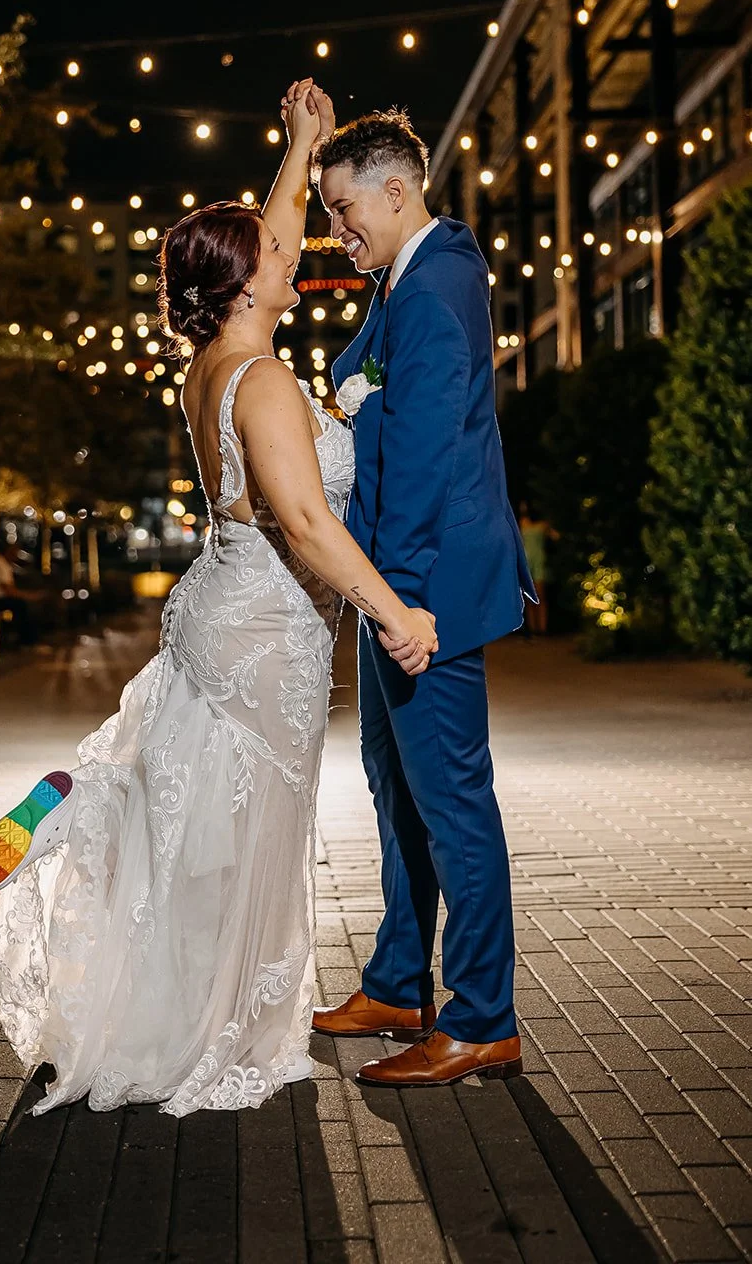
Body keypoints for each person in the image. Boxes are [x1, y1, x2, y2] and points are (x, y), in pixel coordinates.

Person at [0, 81, 437, 1118]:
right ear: (241, 288)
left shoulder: (215, 365)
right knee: (238, 839)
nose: (295, 251)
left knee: (192, 822)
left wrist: (300, 146)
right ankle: (207, 1016)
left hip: (218, 616)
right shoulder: (264, 384)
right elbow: (308, 524)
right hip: (262, 636)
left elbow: (262, 237)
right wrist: (394, 615)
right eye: (276, 254)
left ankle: (94, 816)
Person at [312, 108, 537, 1088]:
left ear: (396, 190)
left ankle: (481, 1017)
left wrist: (395, 603)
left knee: (449, 799)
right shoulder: (408, 276)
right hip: (397, 585)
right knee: (395, 782)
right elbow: (359, 383)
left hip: (422, 587)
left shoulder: (436, 288)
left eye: (342, 208)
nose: (334, 230)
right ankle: (399, 983)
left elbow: (420, 457)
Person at [0, 546, 39, 646]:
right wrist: (29, 596)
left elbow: (10, 588)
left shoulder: (4, 565)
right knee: (21, 605)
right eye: (14, 553)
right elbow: (8, 590)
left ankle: (24, 638)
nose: (16, 556)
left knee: (20, 605)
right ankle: (26, 640)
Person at [518, 503, 553, 636]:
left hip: (536, 561)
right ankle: (534, 628)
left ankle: (541, 628)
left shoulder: (541, 525)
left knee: (539, 596)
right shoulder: (525, 523)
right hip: (530, 561)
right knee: (532, 597)